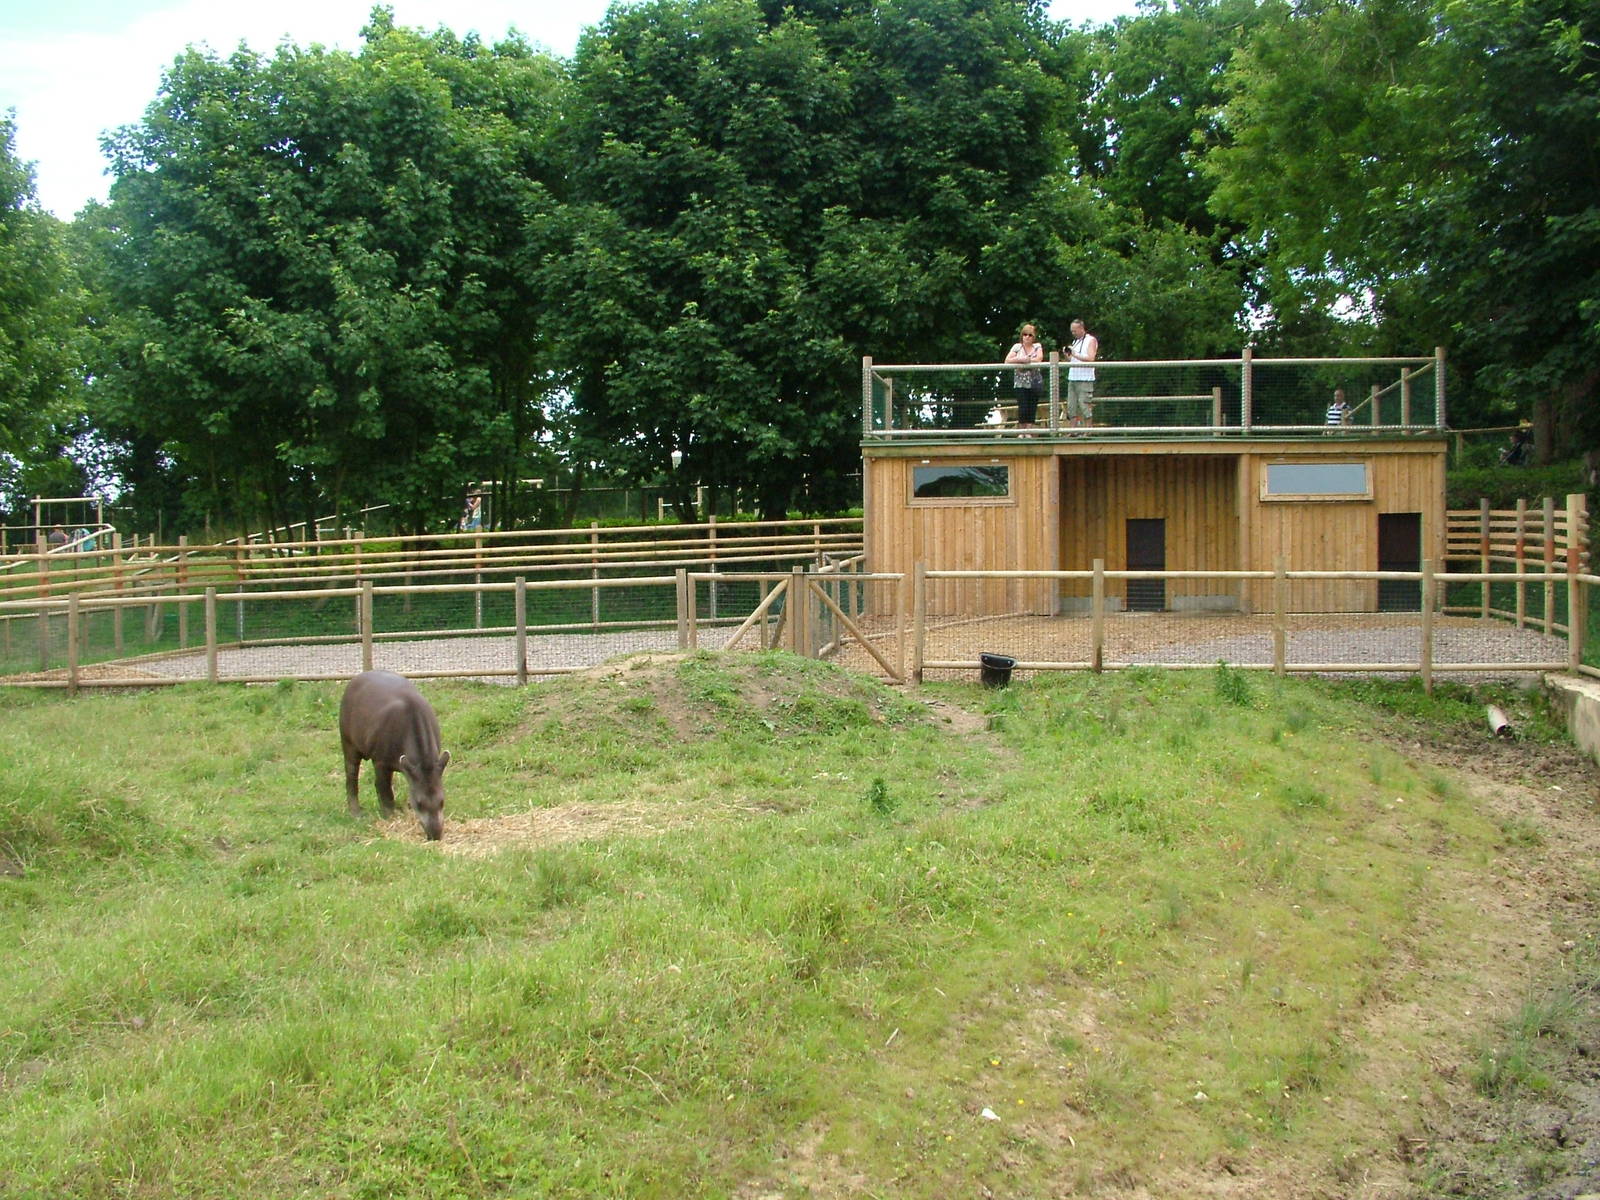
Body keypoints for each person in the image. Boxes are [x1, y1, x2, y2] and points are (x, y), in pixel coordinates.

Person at [1005, 324, 1044, 430]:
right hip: (1020, 382)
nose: (1027, 337)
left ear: (1034, 337)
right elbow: (1007, 360)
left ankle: (1028, 430)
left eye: (1030, 335)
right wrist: (1022, 360)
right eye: (1025, 334)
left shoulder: (1037, 346)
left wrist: (1028, 360)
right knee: (1023, 407)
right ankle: (1022, 431)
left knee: (1032, 407)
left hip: (1034, 382)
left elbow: (1039, 359)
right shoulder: (1017, 347)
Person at [1065, 318, 1097, 430]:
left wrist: (1075, 353)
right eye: (1071, 331)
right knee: (1071, 405)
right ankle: (1073, 430)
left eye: (1075, 331)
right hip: (1073, 377)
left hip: (1085, 379)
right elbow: (1071, 359)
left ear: (1081, 328)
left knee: (1085, 405)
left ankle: (1088, 430)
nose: (1073, 333)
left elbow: (1091, 358)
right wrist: (1068, 354)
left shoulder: (1091, 340)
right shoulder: (1075, 342)